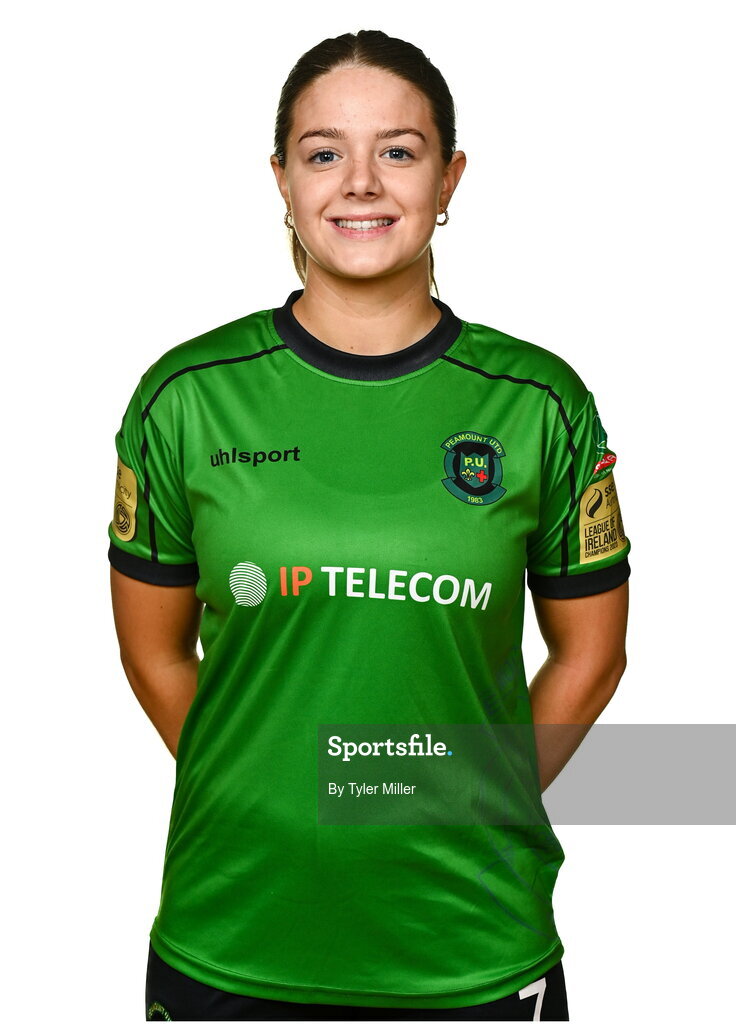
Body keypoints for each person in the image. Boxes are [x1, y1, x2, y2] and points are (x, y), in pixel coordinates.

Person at [109, 28, 630, 1022]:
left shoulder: (538, 404)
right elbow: (154, 653)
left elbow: (590, 656)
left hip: (469, 946)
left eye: (397, 150)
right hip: (233, 935)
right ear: (281, 179)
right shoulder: (186, 399)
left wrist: (459, 797)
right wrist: (268, 784)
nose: (359, 182)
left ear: (449, 178)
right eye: (323, 153)